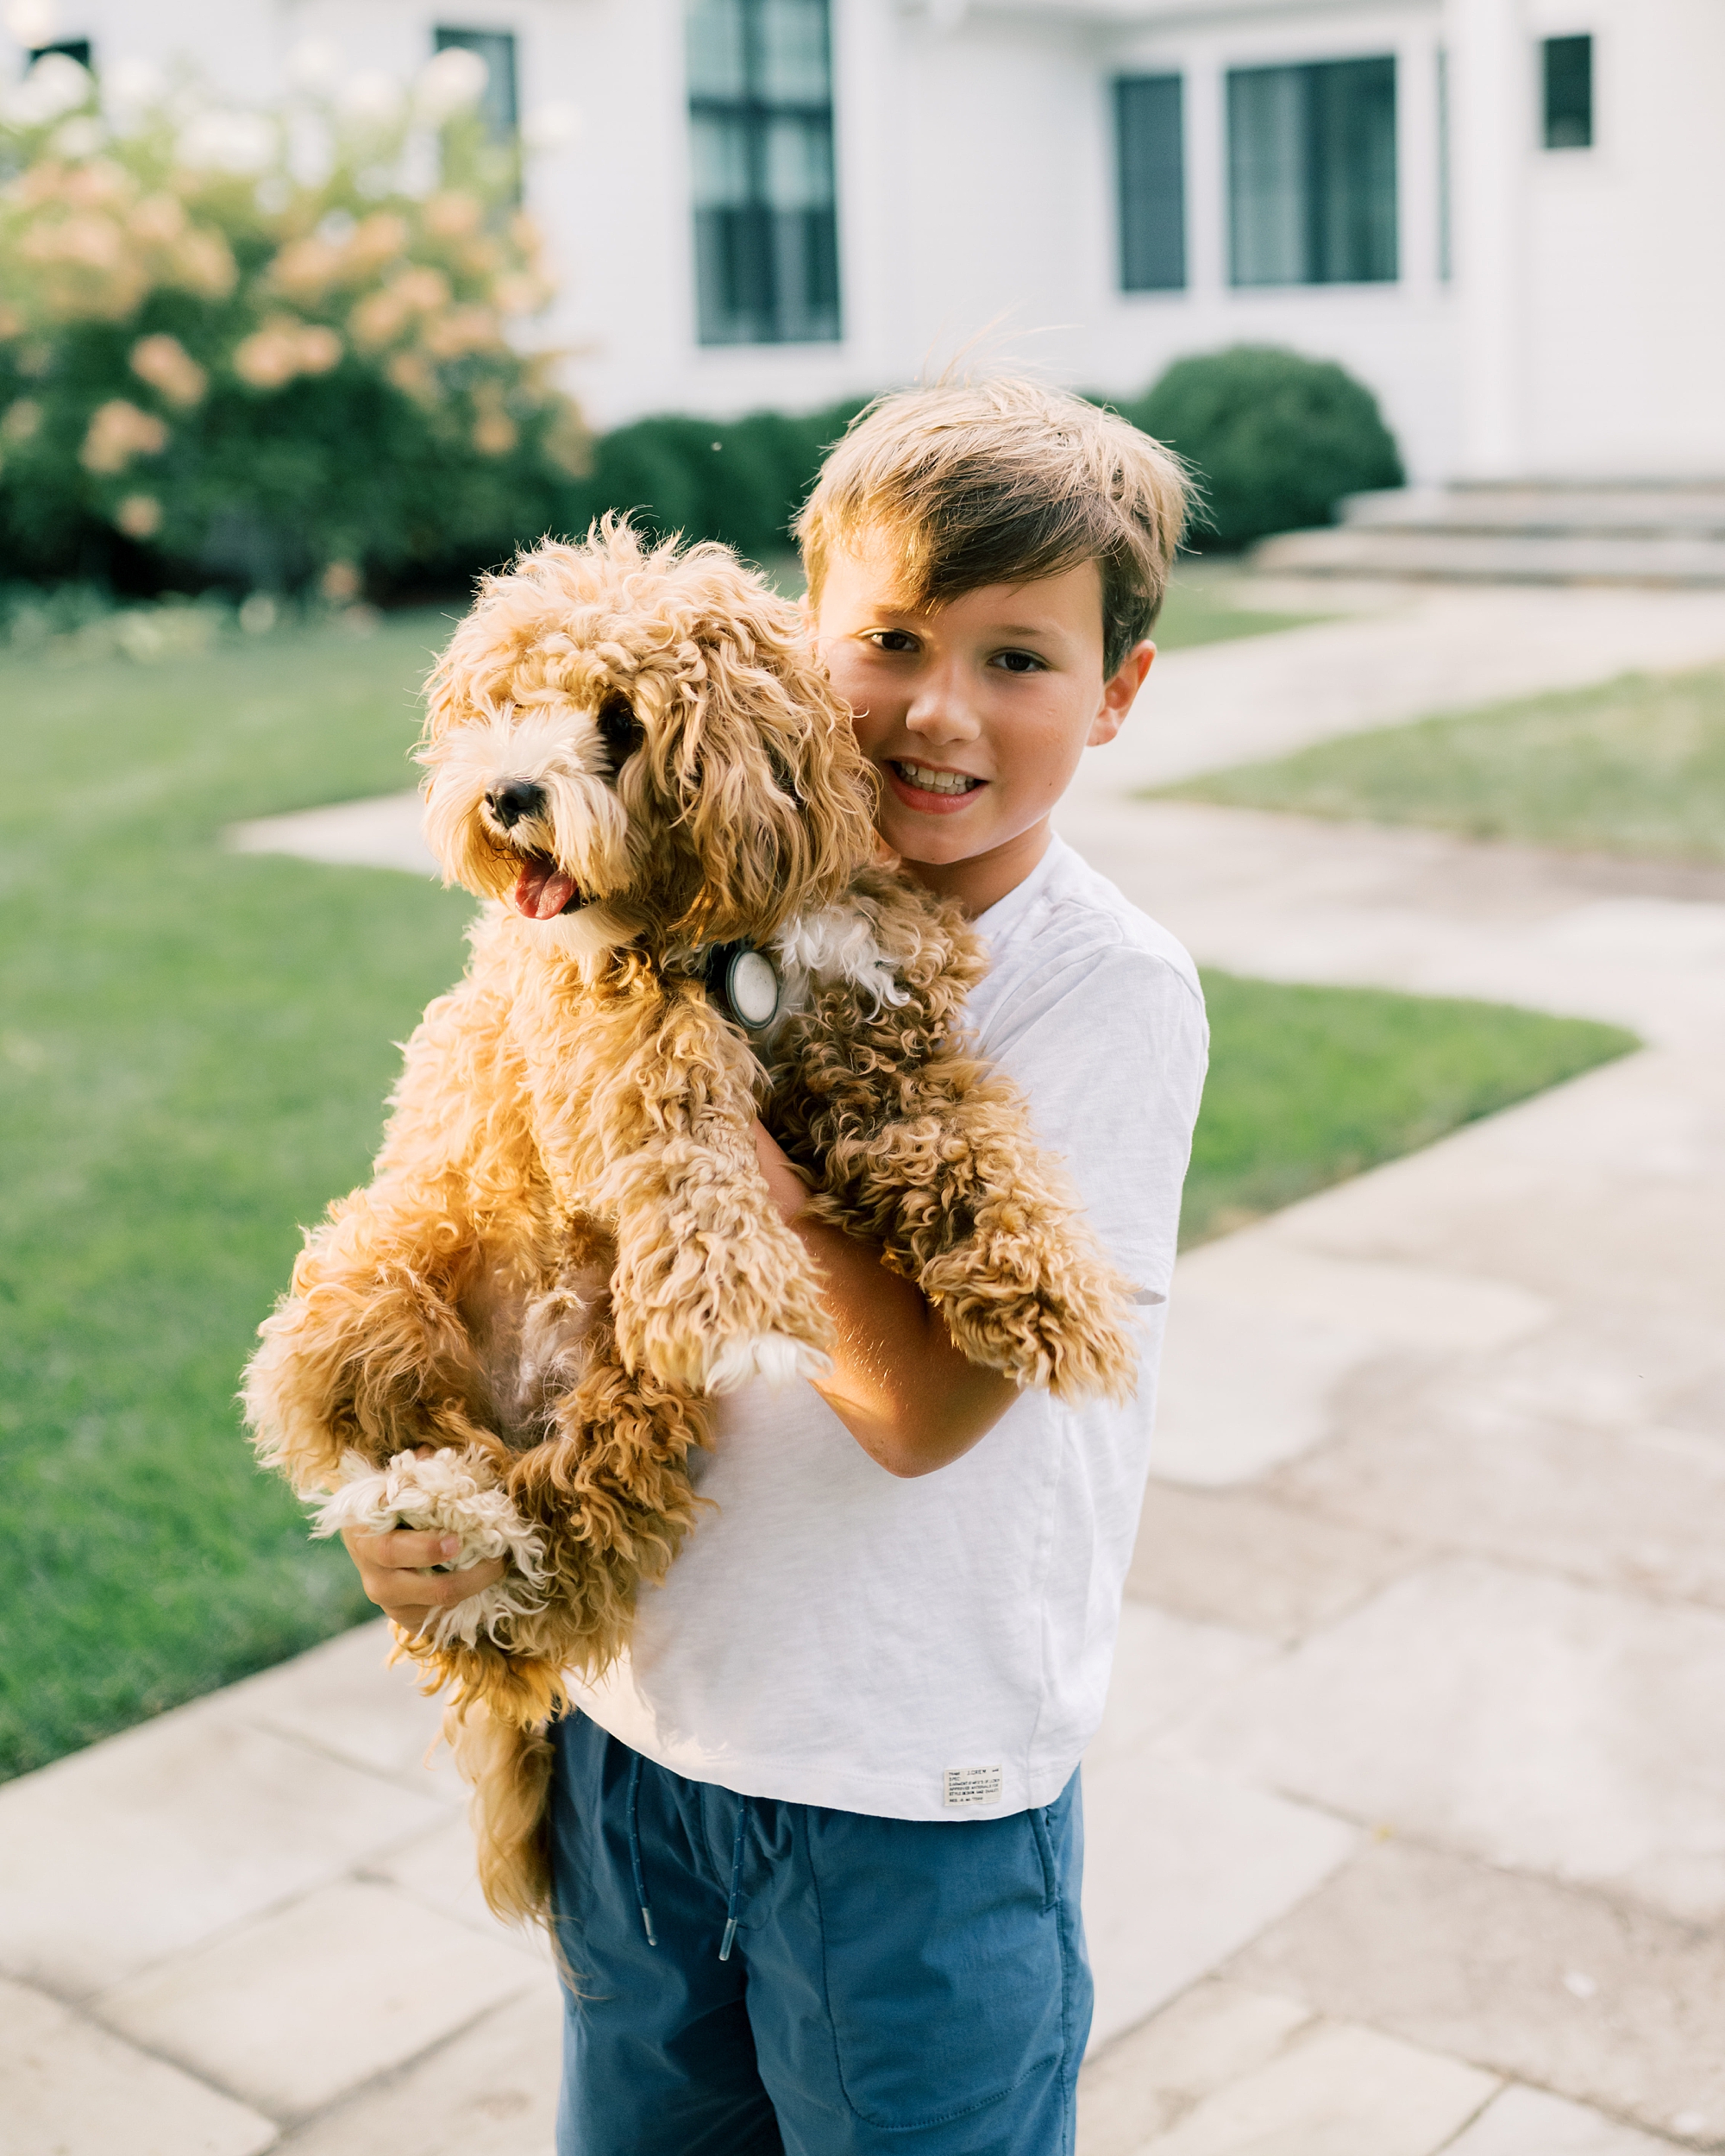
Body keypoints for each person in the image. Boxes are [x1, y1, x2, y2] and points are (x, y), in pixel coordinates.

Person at [342, 376, 1208, 2154]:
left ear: (1117, 691)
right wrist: (428, 1489)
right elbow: (493, 1241)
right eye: (889, 640)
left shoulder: (1100, 987)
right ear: (801, 633)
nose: (939, 710)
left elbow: (925, 1410)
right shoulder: (636, 910)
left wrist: (727, 1170)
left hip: (905, 1790)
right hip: (637, 1736)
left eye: (1018, 659)